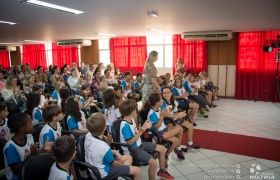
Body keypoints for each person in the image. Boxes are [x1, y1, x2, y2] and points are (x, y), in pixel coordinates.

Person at [120, 100, 175, 180]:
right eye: (135, 109)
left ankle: (162, 171)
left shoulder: (131, 119)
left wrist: (143, 127)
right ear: (132, 112)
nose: (137, 110)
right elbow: (130, 142)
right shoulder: (124, 125)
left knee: (162, 149)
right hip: (133, 149)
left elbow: (136, 132)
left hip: (140, 144)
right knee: (153, 163)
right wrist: (141, 131)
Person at [85, 113, 142, 180]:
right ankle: (120, 175)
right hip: (104, 174)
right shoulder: (104, 147)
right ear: (105, 127)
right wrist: (123, 167)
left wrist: (113, 151)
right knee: (138, 171)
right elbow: (113, 164)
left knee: (128, 157)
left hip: (94, 170)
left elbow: (99, 152)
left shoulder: (88, 136)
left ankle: (120, 176)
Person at [3, 113, 52, 180]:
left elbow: (34, 154)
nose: (33, 125)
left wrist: (44, 148)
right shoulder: (10, 147)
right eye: (30, 123)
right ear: (23, 128)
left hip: (30, 172)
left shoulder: (29, 136)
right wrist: (31, 154)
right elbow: (16, 170)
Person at [142, 93, 185, 163]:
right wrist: (161, 117)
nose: (162, 101)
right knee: (176, 140)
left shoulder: (158, 108)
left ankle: (165, 155)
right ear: (157, 102)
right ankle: (159, 138)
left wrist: (178, 114)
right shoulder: (152, 113)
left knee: (179, 128)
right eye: (161, 99)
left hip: (162, 129)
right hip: (156, 132)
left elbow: (163, 114)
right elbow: (156, 126)